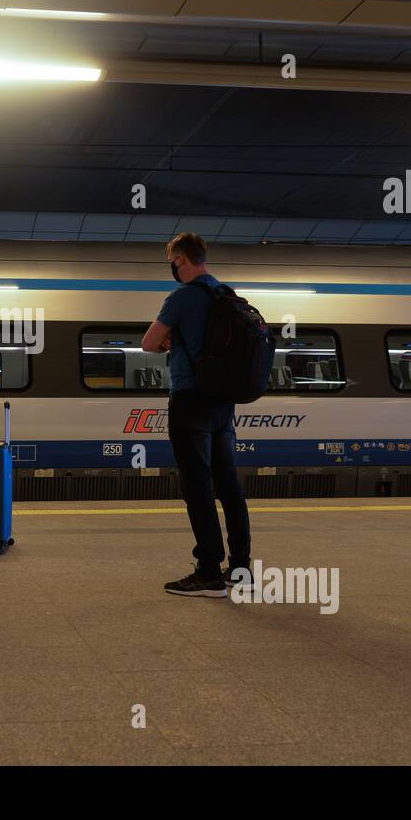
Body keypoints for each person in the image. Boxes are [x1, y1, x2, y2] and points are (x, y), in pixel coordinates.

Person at [141, 232, 251, 598]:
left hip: (190, 401)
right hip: (223, 404)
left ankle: (208, 572)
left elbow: (149, 343)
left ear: (181, 260)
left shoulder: (183, 297)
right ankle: (240, 568)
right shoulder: (227, 295)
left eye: (173, 261)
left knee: (198, 487)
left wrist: (170, 340)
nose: (173, 268)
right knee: (229, 486)